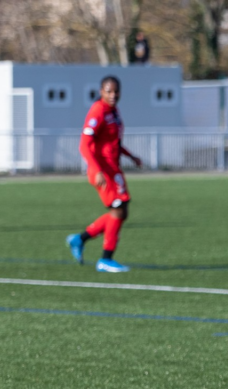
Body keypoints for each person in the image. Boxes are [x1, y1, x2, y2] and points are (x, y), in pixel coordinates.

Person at [66, 76, 142, 272]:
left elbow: (113, 143)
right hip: (102, 171)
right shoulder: (98, 111)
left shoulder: (114, 112)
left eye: (116, 91)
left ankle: (79, 239)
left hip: (112, 169)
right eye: (109, 91)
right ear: (101, 92)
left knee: (121, 211)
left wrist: (131, 157)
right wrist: (97, 169)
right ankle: (105, 259)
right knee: (118, 209)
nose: (113, 95)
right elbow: (84, 144)